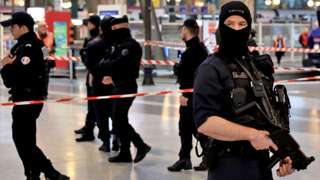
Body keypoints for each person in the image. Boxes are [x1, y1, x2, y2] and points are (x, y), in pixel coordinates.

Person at [193, 2, 295, 180]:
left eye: (242, 24)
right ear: (220, 27)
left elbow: (267, 116)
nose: (236, 29)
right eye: (230, 24)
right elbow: (205, 122)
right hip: (228, 165)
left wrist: (282, 151)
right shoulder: (211, 68)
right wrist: (252, 135)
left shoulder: (257, 66)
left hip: (261, 166)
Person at [0, 12, 69, 180]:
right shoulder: (26, 45)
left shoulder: (29, 47)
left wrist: (4, 67)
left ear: (23, 27)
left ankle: (50, 172)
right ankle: (34, 173)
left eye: (13, 27)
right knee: (26, 140)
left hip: (27, 99)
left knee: (22, 140)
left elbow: (16, 77)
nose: (11, 30)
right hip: (29, 97)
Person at [99, 16, 151, 163]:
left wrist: (110, 71)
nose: (112, 32)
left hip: (126, 86)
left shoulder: (130, 46)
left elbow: (119, 65)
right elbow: (110, 62)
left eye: (115, 29)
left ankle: (140, 145)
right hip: (120, 85)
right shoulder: (120, 44)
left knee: (118, 119)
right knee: (119, 119)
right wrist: (112, 75)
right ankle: (126, 152)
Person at [168, 19, 208, 172]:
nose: (181, 32)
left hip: (192, 96)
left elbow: (192, 76)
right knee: (187, 127)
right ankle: (186, 159)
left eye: (182, 29)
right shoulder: (197, 49)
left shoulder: (194, 51)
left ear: (186, 29)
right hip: (195, 95)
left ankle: (206, 157)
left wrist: (186, 94)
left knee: (194, 127)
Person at [84, 16, 119, 152]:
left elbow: (89, 64)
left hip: (98, 83)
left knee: (100, 113)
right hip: (115, 84)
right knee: (115, 113)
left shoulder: (93, 44)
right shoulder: (118, 42)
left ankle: (106, 142)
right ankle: (117, 138)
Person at [74, 15, 101, 142]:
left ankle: (91, 131)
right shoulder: (93, 39)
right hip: (91, 76)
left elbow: (90, 61)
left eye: (89, 24)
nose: (87, 27)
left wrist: (84, 54)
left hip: (95, 77)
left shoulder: (96, 40)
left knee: (95, 106)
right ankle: (88, 127)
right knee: (91, 105)